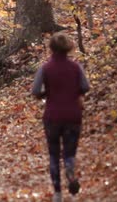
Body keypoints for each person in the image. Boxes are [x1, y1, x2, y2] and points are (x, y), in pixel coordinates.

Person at [31, 33, 90, 202]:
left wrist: (45, 94)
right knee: (69, 153)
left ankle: (57, 193)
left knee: (54, 154)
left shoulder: (46, 68)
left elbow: (35, 90)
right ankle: (71, 176)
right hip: (73, 115)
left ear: (51, 48)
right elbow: (85, 87)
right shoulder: (76, 67)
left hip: (52, 116)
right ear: (68, 47)